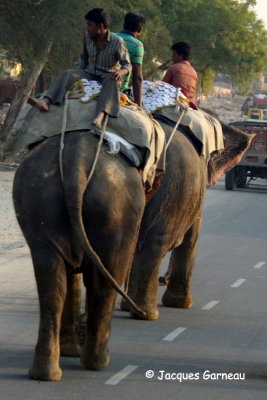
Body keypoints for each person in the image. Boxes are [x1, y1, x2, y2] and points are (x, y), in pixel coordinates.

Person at [28, 8, 131, 128]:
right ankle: (45, 102)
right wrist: (77, 73)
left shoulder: (117, 42)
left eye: (90, 25)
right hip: (90, 72)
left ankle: (100, 115)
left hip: (108, 75)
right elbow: (84, 58)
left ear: (100, 26)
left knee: (111, 81)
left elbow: (127, 65)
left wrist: (121, 72)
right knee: (67, 73)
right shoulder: (87, 38)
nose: (87, 28)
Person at [116, 12, 145, 106]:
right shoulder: (137, 45)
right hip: (119, 91)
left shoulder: (110, 37)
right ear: (140, 29)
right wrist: (139, 105)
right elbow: (137, 78)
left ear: (124, 24)